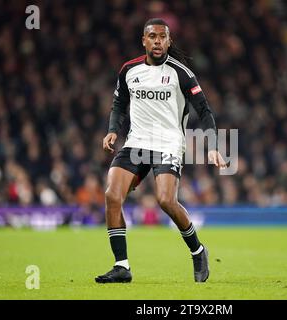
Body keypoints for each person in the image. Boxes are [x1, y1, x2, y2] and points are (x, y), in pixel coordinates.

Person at [95, 18, 226, 284]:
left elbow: (204, 111)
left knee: (165, 200)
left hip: (167, 144)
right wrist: (112, 130)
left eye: (162, 37)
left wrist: (213, 147)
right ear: (144, 40)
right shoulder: (129, 70)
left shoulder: (182, 73)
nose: (157, 41)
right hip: (136, 143)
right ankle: (122, 266)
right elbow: (119, 103)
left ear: (169, 41)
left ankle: (198, 251)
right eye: (152, 36)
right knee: (112, 195)